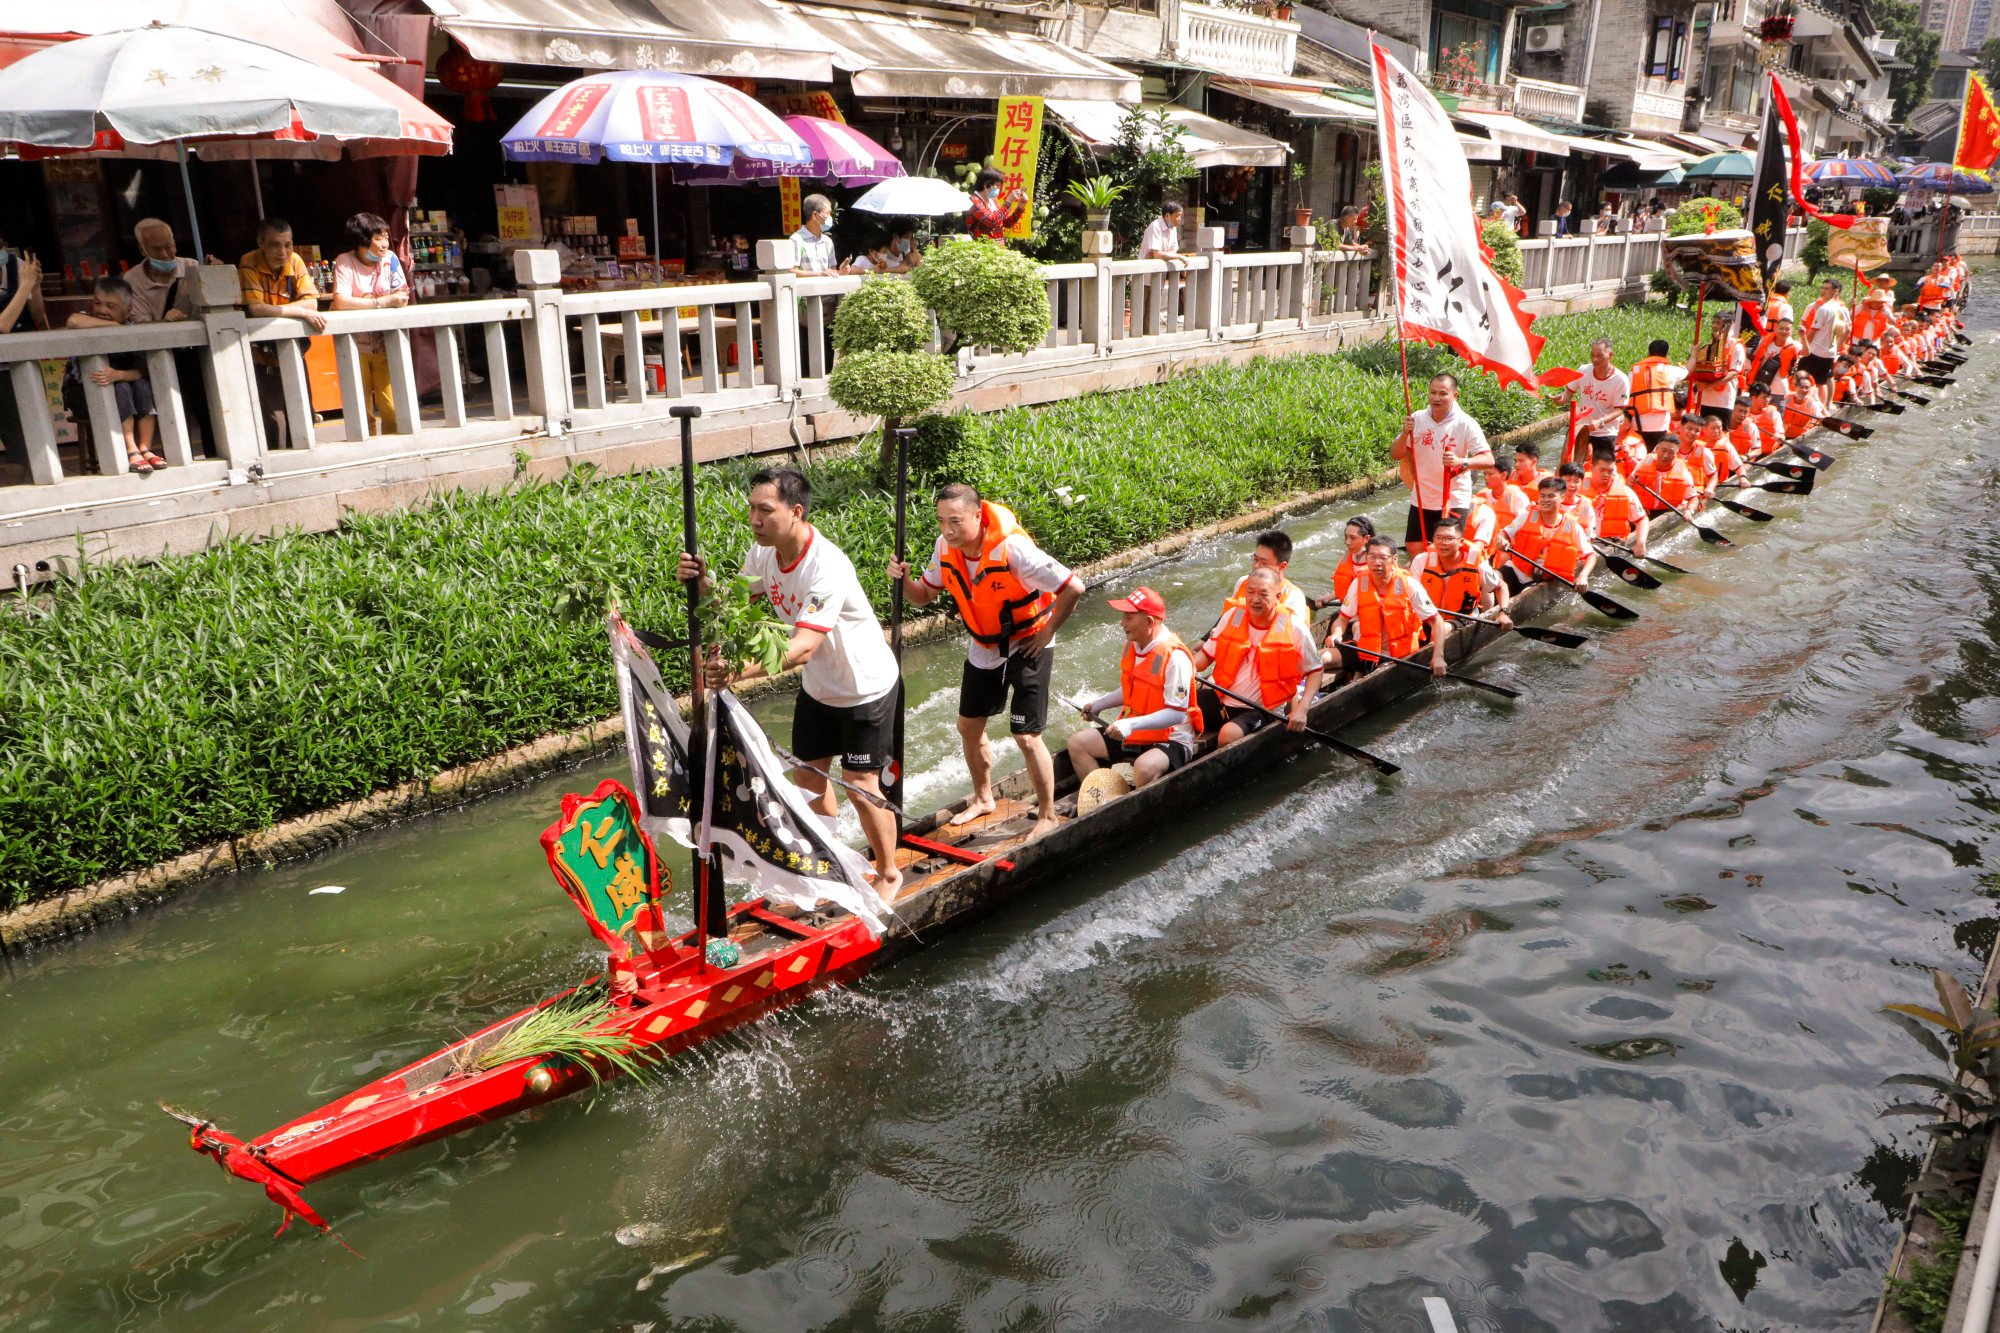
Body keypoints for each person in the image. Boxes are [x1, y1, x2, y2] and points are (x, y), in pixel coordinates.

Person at [677, 467, 905, 894]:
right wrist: (701, 581)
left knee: (860, 785)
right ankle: (829, 860)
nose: (755, 520)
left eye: (766, 510)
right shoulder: (763, 554)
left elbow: (802, 648)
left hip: (865, 687)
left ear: (796, 512)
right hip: (819, 689)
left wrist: (735, 674)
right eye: (751, 509)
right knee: (807, 778)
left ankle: (890, 872)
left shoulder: (827, 565)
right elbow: (731, 607)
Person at [891, 483, 1082, 839]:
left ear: (978, 516)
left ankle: (1047, 814)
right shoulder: (945, 547)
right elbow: (924, 595)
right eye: (941, 522)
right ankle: (983, 798)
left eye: (956, 522)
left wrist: (1046, 632)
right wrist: (903, 581)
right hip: (985, 644)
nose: (947, 531)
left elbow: (1074, 587)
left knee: (1026, 736)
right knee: (968, 726)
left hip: (1030, 641)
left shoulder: (1013, 549)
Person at [1068, 586, 1201, 787]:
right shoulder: (1134, 644)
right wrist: (1099, 704)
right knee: (1077, 743)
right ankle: (1103, 795)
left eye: (1129, 618)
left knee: (1144, 767)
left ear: (1149, 621)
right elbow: (1133, 689)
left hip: (1170, 738)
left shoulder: (1175, 657)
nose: (1122, 623)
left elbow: (1175, 713)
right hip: (1137, 732)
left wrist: (1130, 725)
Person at [1193, 567, 1321, 746]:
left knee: (1228, 734)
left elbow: (1315, 671)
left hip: (1262, 709)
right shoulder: (1231, 616)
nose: (1255, 599)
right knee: (1179, 708)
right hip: (1221, 699)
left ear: (1277, 597)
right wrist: (1187, 668)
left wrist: (1302, 709)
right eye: (1250, 592)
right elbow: (1205, 657)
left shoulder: (1294, 627)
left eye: (1263, 594)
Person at [238, 217, 326, 448]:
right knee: (274, 419)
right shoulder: (249, 262)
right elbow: (256, 309)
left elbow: (312, 303)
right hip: (260, 354)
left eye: (288, 244)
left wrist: (286, 310)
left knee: (303, 411)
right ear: (261, 243)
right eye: (276, 244)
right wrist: (299, 311)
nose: (283, 251)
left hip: (292, 351)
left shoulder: (295, 260)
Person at [64, 274, 161, 474]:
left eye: (110, 306)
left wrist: (118, 375)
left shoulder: (132, 329)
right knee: (122, 389)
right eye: (98, 303)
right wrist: (114, 326)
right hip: (83, 392)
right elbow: (73, 321)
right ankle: (130, 449)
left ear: (129, 311)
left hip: (121, 385)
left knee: (142, 387)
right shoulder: (86, 319)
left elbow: (142, 369)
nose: (101, 310)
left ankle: (145, 448)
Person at [1390, 372, 1494, 555]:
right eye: (1433, 393)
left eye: (1443, 393)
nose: (1436, 398)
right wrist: (1405, 433)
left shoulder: (1466, 423)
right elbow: (1395, 454)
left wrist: (1461, 462)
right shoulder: (1417, 418)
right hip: (1422, 496)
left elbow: (1488, 459)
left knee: (1448, 549)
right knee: (1414, 546)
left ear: (1455, 395)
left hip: (1453, 498)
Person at [328, 211, 411, 437]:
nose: (384, 244)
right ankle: (367, 446)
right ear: (362, 242)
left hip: (385, 342)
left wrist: (366, 303)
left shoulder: (390, 260)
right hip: (355, 344)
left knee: (391, 403)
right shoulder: (345, 261)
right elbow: (341, 301)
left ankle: (395, 446)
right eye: (378, 238)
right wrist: (381, 302)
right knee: (360, 402)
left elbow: (402, 296)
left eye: (385, 237)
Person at [1324, 534, 1446, 678]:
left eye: (1383, 557)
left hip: (1400, 656)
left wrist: (1438, 656)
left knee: (1368, 679)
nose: (1377, 562)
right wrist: (1337, 634)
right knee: (1320, 658)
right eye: (1372, 557)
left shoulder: (1410, 584)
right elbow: (1342, 619)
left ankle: (1358, 676)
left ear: (1394, 560)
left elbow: (1436, 621)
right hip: (1366, 651)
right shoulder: (1358, 583)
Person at [1502, 476, 1597, 593]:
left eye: (1551, 496)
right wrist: (1501, 540)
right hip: (1518, 571)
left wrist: (1583, 576)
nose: (1545, 500)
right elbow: (1502, 534)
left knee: (1527, 592)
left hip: (1545, 581)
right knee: (1496, 577)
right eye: (1542, 496)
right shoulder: (1525, 517)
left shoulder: (1572, 526)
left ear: (1562, 498)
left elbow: (1590, 555)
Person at [1409, 517, 1509, 623]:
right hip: (1428, 618)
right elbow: (1409, 594)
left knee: (1442, 629)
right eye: (1439, 538)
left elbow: (1501, 586)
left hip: (1463, 620)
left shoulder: (1477, 564)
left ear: (1461, 542)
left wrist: (1504, 612)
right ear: (1433, 539)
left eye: (1449, 538)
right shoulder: (1421, 560)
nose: (1443, 543)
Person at [0, 240, 43, 469]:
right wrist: (25, 286)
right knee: (16, 438)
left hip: (22, 365)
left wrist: (35, 288)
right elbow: (3, 326)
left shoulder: (16, 266)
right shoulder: (21, 278)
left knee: (31, 437)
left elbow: (36, 315)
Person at [1564, 337, 1630, 459]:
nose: (1595, 359)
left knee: (1602, 466)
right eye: (1592, 355)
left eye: (1600, 356)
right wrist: (1561, 398)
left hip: (1605, 431)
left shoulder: (1620, 380)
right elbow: (1568, 393)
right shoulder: (1583, 370)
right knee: (1571, 464)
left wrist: (1601, 422)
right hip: (1582, 428)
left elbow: (1620, 409)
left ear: (1610, 355)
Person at [1228, 529, 1311, 622]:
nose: (1256, 566)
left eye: (1264, 563)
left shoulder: (1293, 597)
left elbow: (1288, 634)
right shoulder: (1242, 582)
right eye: (1255, 559)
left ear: (1282, 566)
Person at [1583, 443, 1649, 559]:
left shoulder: (1625, 491)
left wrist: (1641, 542)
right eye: (1602, 470)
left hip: (1608, 541)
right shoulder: (1577, 487)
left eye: (1610, 471)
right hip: (1582, 538)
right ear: (1592, 468)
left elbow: (1642, 519)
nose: (1606, 474)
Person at [1686, 321, 1744, 423]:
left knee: (1720, 432)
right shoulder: (1708, 346)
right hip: (1704, 399)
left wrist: (1709, 385)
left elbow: (1733, 373)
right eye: (1714, 323)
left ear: (1729, 327)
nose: (1715, 326)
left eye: (1719, 323)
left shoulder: (1736, 347)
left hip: (1723, 401)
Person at [1797, 278, 1850, 386]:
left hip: (1814, 351)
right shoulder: (1840, 307)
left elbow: (1812, 332)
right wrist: (1836, 347)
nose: (1822, 291)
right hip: (1829, 353)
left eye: (1826, 288)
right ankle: (1827, 403)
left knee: (1802, 380)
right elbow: (1847, 329)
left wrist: (1803, 349)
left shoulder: (1824, 309)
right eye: (1822, 288)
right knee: (1822, 383)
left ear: (1835, 291)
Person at [1631, 435, 1697, 517]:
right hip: (1643, 511)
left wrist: (1689, 511)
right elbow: (1628, 488)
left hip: (1668, 513)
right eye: (1663, 450)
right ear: (1657, 449)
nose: (1666, 455)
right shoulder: (1643, 464)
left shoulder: (1683, 473)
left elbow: (1693, 498)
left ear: (1676, 454)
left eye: (1671, 452)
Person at [1629, 338, 1677, 444]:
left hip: (1638, 423)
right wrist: (1694, 352)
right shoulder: (1670, 371)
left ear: (1648, 353)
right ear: (1666, 355)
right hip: (1661, 426)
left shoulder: (1634, 372)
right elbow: (1688, 369)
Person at [1322, 514, 1374, 609]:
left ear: (1366, 539)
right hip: (1349, 608)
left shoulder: (1376, 563)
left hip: (1368, 611)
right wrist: (1328, 598)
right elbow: (1345, 588)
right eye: (1346, 537)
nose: (1347, 542)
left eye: (1353, 538)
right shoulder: (1348, 556)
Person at [966, 167, 1028, 244]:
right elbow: (992, 222)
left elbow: (1005, 223)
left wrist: (1020, 208)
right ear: (986, 186)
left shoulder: (992, 201)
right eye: (997, 186)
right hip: (983, 250)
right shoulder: (974, 201)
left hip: (997, 250)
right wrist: (1008, 202)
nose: (999, 189)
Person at [790, 194, 837, 275]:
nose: (830, 217)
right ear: (815, 215)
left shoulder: (828, 241)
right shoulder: (796, 239)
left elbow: (832, 271)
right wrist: (820, 274)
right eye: (827, 213)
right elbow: (791, 271)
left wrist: (841, 272)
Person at [1783, 368, 1827, 439]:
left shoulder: (1812, 403)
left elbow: (1820, 416)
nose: (1804, 390)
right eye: (1801, 387)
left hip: (1800, 437)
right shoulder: (1786, 398)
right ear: (1795, 387)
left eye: (1806, 388)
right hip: (1783, 434)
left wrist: (1827, 420)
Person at [1140, 201, 1188, 266]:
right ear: (1167, 216)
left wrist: (1175, 256)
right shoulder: (1155, 227)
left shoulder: (1172, 228)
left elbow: (1173, 251)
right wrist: (1179, 257)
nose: (1179, 219)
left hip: (1162, 269)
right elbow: (1157, 255)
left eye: (1180, 216)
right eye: (1177, 216)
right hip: (1147, 270)